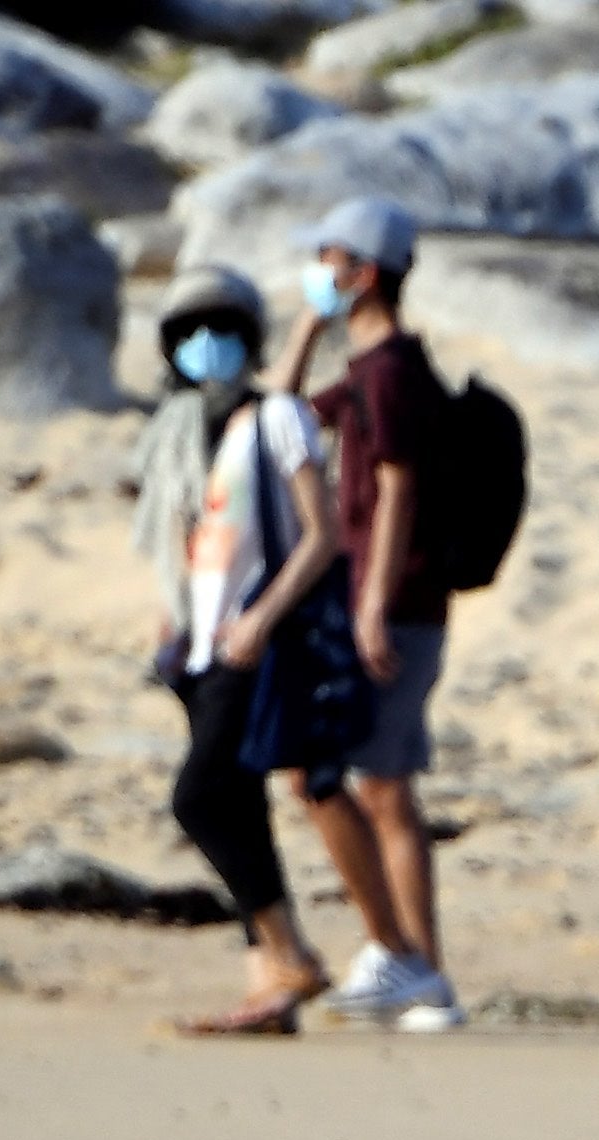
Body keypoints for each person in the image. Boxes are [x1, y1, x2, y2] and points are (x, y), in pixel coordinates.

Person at [266, 194, 458, 1028]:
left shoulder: (394, 374)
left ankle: (410, 963)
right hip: (378, 601)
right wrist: (308, 327)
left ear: (366, 272)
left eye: (331, 261)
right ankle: (415, 969)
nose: (320, 272)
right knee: (383, 787)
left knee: (368, 785)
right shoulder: (372, 368)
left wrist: (373, 605)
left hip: (396, 604)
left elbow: (398, 490)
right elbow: (280, 416)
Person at [135, 262, 340, 1036]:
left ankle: (291, 954)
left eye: (221, 331)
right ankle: (268, 987)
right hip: (199, 645)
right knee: (241, 806)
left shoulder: (276, 418)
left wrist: (262, 617)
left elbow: (323, 536)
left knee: (199, 798)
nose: (206, 344)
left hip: (256, 640)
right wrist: (172, 615)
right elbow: (190, 534)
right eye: (190, 333)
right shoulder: (185, 428)